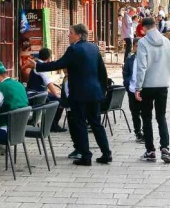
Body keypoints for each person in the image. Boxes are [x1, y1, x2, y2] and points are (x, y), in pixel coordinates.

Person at [35, 24, 112, 166]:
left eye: (70, 33)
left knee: (80, 123)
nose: (68, 35)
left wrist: (38, 65)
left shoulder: (74, 49)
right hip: (94, 92)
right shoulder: (93, 48)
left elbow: (59, 64)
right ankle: (106, 153)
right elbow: (102, 72)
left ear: (78, 35)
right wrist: (102, 90)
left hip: (79, 93)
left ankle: (86, 156)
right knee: (96, 123)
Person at [132, 17, 170, 163]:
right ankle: (165, 148)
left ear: (144, 28)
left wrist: (138, 86)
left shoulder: (143, 42)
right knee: (161, 116)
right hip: (163, 85)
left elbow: (141, 66)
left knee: (146, 117)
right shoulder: (166, 41)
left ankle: (150, 150)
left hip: (147, 85)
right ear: (155, 26)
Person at [122, 42, 144, 142]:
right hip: (132, 88)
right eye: (136, 46)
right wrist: (126, 82)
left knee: (145, 112)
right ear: (133, 47)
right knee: (134, 112)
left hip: (144, 89)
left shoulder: (146, 58)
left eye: (140, 46)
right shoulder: (130, 59)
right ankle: (138, 132)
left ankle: (145, 131)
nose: (138, 48)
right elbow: (125, 72)